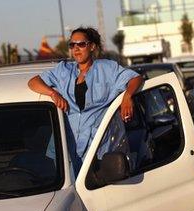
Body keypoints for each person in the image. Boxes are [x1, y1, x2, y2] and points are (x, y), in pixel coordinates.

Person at [28, 27, 143, 169]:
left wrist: (127, 96)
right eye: (72, 45)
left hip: (97, 151)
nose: (76, 49)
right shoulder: (63, 70)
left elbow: (135, 78)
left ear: (92, 46)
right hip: (67, 154)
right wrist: (53, 93)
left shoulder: (107, 69)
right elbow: (33, 82)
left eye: (81, 44)